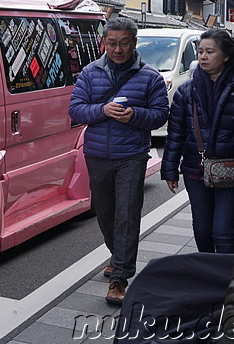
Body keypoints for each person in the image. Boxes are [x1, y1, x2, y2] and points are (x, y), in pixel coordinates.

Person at [68, 17, 169, 305]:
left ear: (134, 43)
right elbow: (75, 110)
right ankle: (118, 253)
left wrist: (135, 115)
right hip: (97, 154)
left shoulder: (150, 77)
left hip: (132, 156)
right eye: (112, 43)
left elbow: (161, 113)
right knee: (104, 211)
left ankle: (120, 278)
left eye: (124, 43)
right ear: (105, 43)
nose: (118, 49)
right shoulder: (89, 73)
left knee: (127, 214)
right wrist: (103, 110)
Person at [161, 29, 234, 254]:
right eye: (200, 51)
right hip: (196, 169)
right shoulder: (186, 90)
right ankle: (209, 278)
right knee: (202, 231)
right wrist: (170, 170)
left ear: (226, 55)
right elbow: (175, 135)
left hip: (231, 168)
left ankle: (225, 284)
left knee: (223, 232)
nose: (203, 56)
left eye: (210, 52)